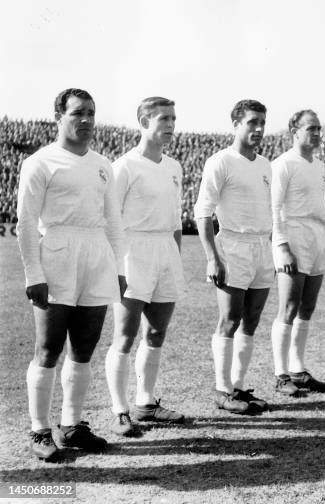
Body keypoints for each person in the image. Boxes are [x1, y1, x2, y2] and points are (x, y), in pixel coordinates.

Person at [16, 88, 126, 461]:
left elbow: (113, 221)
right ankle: (39, 429)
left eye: (91, 113)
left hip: (96, 255)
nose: (86, 120)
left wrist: (119, 268)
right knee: (48, 349)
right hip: (57, 254)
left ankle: (73, 425)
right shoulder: (40, 162)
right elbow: (26, 223)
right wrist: (33, 271)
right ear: (58, 117)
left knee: (84, 348)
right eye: (78, 113)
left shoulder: (103, 164)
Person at [105, 97, 186, 437]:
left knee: (155, 333)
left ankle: (145, 402)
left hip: (165, 250)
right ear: (143, 121)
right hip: (132, 250)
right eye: (163, 118)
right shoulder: (124, 166)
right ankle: (120, 410)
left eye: (173, 118)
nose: (170, 125)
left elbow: (176, 221)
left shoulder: (174, 166)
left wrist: (175, 258)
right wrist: (115, 266)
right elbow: (109, 218)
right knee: (124, 336)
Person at [194, 99, 273, 414]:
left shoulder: (266, 165)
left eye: (262, 123)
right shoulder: (221, 161)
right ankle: (222, 389)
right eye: (252, 122)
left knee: (251, 322)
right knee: (229, 319)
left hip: (261, 247)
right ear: (236, 124)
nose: (257, 129)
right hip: (233, 245)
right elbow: (203, 212)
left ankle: (239, 387)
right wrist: (212, 257)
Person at [270, 110, 325, 395]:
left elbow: (322, 207)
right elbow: (274, 208)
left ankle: (298, 368)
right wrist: (282, 246)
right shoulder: (283, 164)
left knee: (307, 308)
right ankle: (280, 373)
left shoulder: (319, 165)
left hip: (316, 237)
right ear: (294, 131)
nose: (317, 133)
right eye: (311, 128)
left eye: (319, 128)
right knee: (289, 307)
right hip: (292, 236)